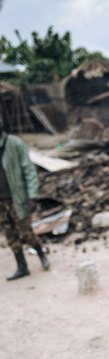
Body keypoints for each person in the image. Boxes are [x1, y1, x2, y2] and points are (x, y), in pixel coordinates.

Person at [0, 116, 50, 280]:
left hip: (17, 198)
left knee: (26, 232)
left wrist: (32, 196)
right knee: (10, 234)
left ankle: (41, 254)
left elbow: (29, 171)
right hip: (1, 201)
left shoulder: (14, 144)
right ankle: (22, 266)